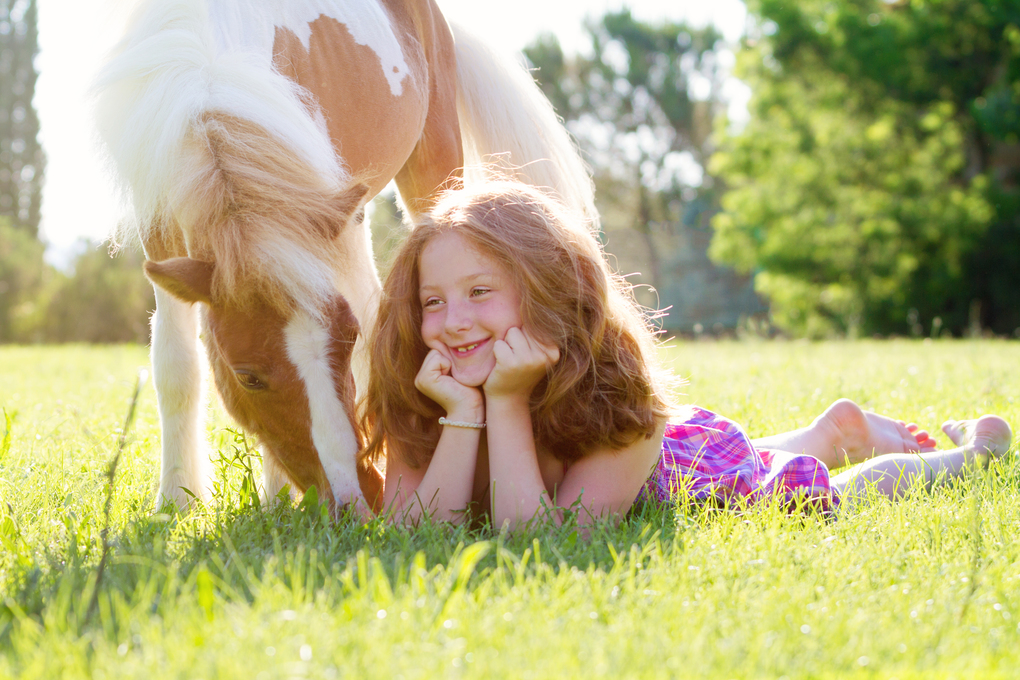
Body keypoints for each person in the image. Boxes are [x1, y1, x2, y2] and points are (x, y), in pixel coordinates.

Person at [359, 180, 1013, 528]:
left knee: (813, 491)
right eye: (433, 301)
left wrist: (502, 401)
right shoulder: (428, 393)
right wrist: (465, 416)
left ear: (553, 293)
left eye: (480, 292)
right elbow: (419, 534)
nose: (451, 322)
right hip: (676, 444)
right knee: (767, 448)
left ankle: (969, 455)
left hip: (680, 466)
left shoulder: (621, 408)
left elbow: (535, 543)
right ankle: (830, 429)